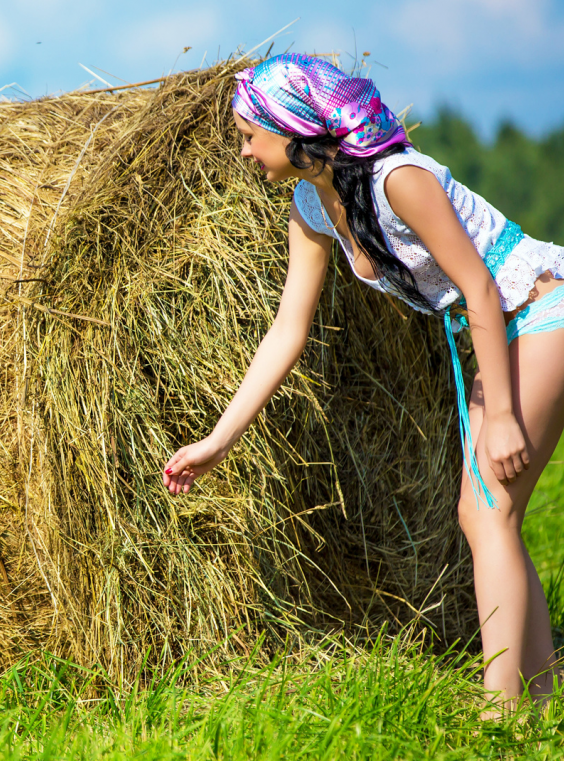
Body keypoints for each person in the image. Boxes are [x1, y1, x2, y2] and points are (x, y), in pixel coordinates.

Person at [162, 53, 564, 714]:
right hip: (496, 331)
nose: (243, 152)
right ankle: (541, 700)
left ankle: (502, 715)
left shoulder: (396, 180)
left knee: (488, 510)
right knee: (489, 513)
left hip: (536, 311)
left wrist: (501, 418)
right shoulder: (311, 204)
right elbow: (287, 332)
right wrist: (218, 440)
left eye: (248, 136)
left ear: (292, 131)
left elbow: (481, 288)